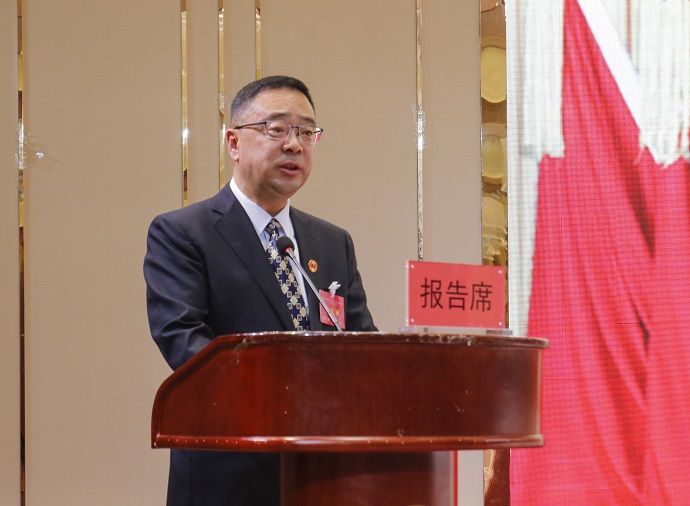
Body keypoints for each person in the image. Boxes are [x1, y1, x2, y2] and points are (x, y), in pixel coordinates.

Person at [143, 75, 377, 505]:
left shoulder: (332, 242)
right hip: (229, 472)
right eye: (277, 129)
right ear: (234, 142)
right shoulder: (183, 233)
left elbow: (362, 345)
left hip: (322, 473)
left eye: (306, 132)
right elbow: (185, 343)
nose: (295, 145)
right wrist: (290, 402)